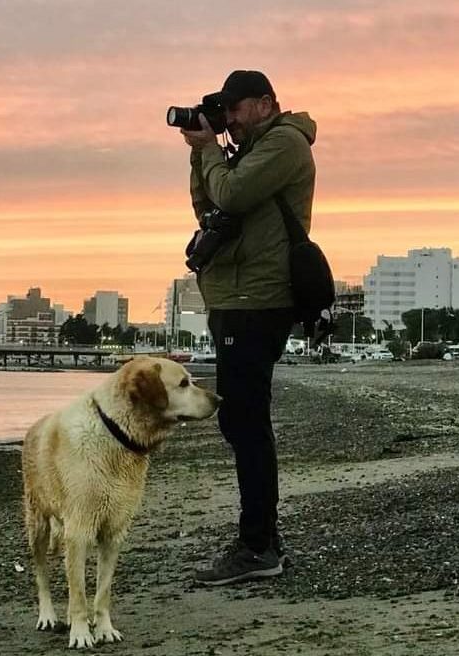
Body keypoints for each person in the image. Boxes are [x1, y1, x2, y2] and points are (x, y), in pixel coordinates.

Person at [179, 70, 316, 586]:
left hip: (258, 299)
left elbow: (232, 195)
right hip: (235, 298)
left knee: (245, 422)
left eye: (235, 110)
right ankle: (262, 541)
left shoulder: (284, 144)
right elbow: (209, 205)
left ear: (265, 104)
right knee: (241, 422)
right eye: (224, 112)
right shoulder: (247, 151)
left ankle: (258, 545)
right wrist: (202, 149)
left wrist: (212, 150)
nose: (229, 120)